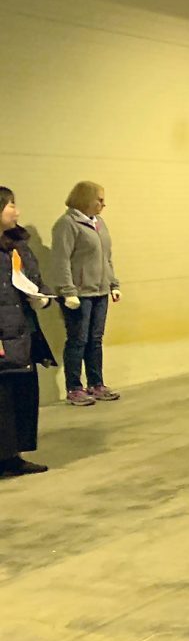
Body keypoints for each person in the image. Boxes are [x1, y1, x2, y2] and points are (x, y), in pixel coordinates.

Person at [0, 188, 56, 476]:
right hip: (3, 335)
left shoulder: (19, 246)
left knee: (21, 396)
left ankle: (13, 455)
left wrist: (42, 298)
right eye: (11, 205)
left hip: (23, 331)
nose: (17, 211)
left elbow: (35, 281)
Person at [51, 180, 120, 406]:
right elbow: (61, 259)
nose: (103, 204)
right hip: (78, 295)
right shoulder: (67, 224)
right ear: (85, 199)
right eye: (99, 199)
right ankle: (74, 387)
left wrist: (113, 284)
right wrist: (68, 291)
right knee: (78, 340)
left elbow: (106, 257)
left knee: (95, 340)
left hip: (99, 292)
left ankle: (96, 383)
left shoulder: (99, 223)